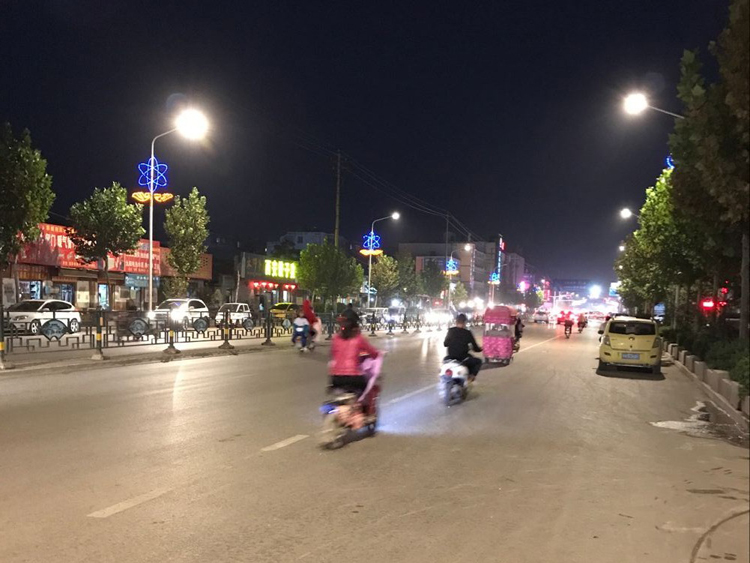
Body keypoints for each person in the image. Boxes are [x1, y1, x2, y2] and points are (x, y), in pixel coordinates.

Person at [329, 317, 380, 412]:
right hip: (353, 377)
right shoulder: (359, 339)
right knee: (366, 389)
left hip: (336, 378)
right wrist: (378, 354)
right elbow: (373, 353)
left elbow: (333, 353)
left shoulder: (336, 338)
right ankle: (364, 411)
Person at [444, 313, 483, 380]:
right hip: (463, 358)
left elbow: (445, 344)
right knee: (478, 361)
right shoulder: (467, 333)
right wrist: (481, 349)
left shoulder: (450, 331)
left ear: (456, 322)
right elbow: (475, 348)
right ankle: (470, 377)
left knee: (444, 361)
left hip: (450, 357)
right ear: (465, 322)